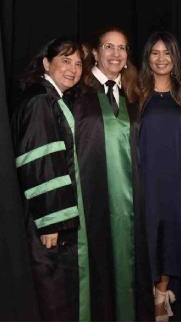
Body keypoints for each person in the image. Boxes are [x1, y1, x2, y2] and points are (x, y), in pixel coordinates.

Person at [73, 27, 153, 321]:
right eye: (109, 46)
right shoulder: (78, 92)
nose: (116, 54)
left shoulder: (133, 92)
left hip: (133, 197)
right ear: (95, 52)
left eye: (122, 48)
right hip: (94, 197)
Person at [11, 38, 85, 320]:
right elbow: (40, 161)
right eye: (66, 60)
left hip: (49, 214)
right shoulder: (42, 100)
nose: (73, 69)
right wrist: (52, 222)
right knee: (52, 291)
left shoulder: (52, 98)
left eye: (78, 63)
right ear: (46, 63)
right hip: (47, 218)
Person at [138, 31, 181, 321]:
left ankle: (162, 295)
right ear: (148, 57)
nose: (161, 59)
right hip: (146, 179)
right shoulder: (136, 93)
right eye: (155, 53)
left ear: (175, 57)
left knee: (172, 237)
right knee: (149, 238)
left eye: (167, 53)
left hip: (176, 179)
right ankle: (150, 293)